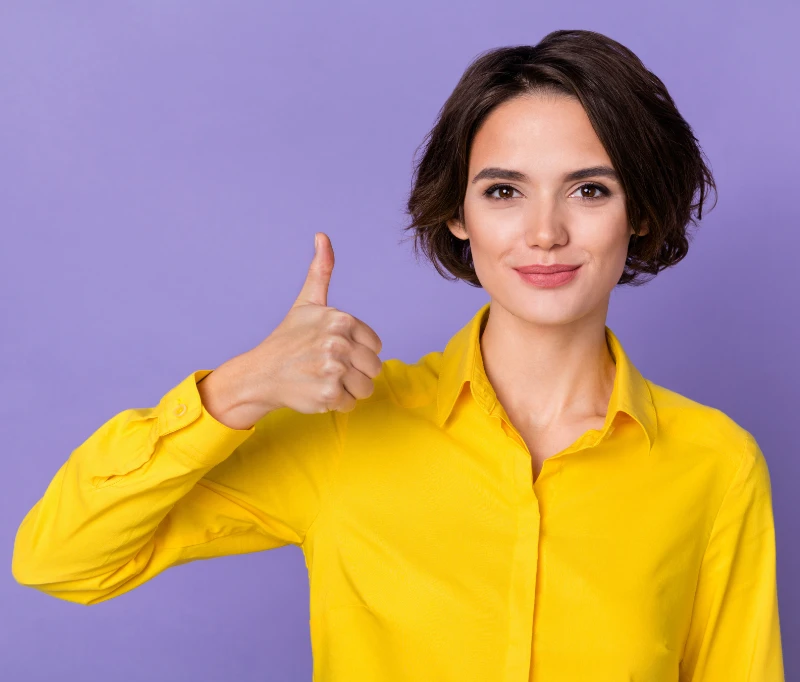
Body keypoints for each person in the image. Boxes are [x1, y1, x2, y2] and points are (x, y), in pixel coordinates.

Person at [12, 28, 784, 682]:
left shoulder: (714, 464)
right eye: (504, 192)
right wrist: (240, 388)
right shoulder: (350, 430)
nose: (544, 232)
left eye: (588, 190)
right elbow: (62, 559)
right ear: (457, 214)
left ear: (640, 214)